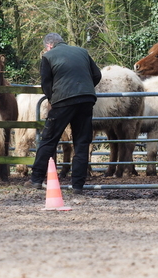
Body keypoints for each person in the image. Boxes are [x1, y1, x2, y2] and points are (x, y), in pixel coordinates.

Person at [28, 33, 102, 194]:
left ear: (48, 45)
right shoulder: (82, 52)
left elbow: (46, 83)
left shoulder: (48, 56)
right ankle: (77, 185)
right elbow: (97, 75)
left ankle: (36, 179)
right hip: (86, 100)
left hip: (63, 101)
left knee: (49, 139)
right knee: (82, 143)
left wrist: (52, 99)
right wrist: (84, 88)